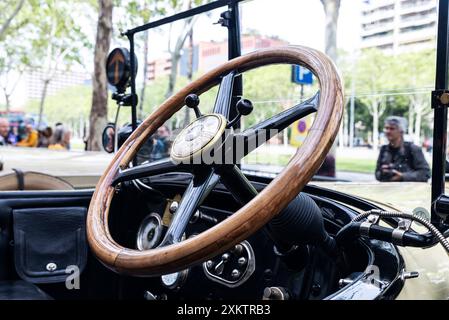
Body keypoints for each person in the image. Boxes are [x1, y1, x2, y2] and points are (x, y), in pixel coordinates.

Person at [375, 116, 430, 182]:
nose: (388, 131)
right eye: (386, 128)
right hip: (388, 189)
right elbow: (377, 173)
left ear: (401, 131)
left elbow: (425, 174)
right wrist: (383, 173)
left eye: (392, 129)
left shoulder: (413, 149)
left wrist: (402, 176)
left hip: (408, 190)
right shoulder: (384, 149)